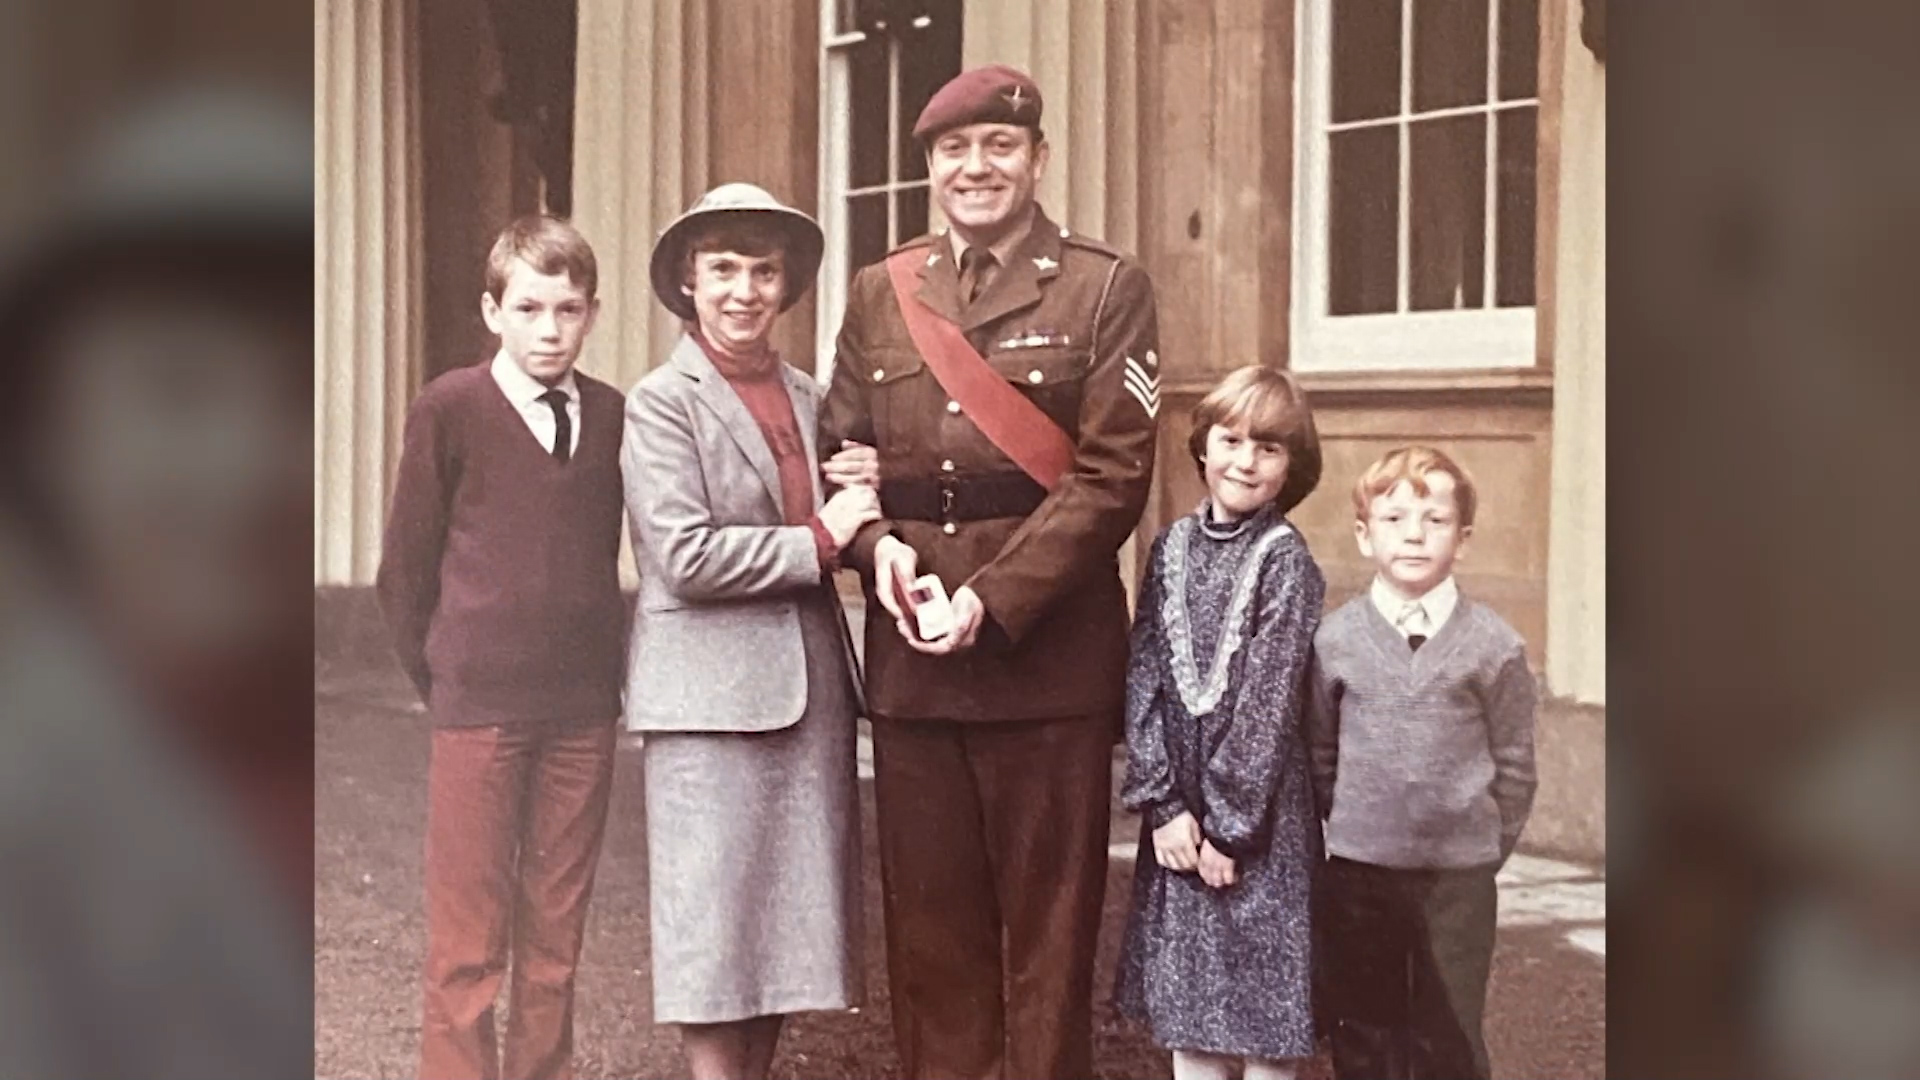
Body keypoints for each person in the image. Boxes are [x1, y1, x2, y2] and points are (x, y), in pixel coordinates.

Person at [818, 64, 1162, 1079]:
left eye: (1000, 147)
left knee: (1049, 947)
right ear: (931, 169)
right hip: (915, 660)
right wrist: (879, 555)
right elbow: (844, 457)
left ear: (1038, 159)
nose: (978, 168)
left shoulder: (1105, 286)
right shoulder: (882, 292)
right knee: (931, 943)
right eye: (955, 152)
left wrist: (989, 598)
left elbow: (1112, 479)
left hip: (1045, 665)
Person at [624, 183, 876, 1080]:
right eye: (722, 268)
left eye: (762, 270)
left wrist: (866, 492)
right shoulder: (661, 401)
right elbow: (686, 557)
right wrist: (822, 535)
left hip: (806, 692)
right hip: (707, 699)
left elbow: (849, 523)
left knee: (784, 936)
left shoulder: (813, 397)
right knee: (713, 931)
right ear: (687, 282)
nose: (743, 290)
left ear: (787, 284)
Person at [376, 215, 626, 1080]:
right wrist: (448, 676)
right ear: (493, 312)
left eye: (567, 309)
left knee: (555, 938)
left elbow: (595, 555)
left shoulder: (611, 414)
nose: (548, 329)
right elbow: (404, 569)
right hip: (480, 708)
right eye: (528, 308)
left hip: (583, 711)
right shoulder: (451, 407)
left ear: (593, 313)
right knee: (468, 941)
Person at [1113, 365, 1327, 1080]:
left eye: (1269, 448)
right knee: (1192, 1014)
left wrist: (1231, 828)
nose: (1245, 461)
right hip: (1180, 826)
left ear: (1293, 466)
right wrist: (1164, 805)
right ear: (1202, 447)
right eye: (1231, 440)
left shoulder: (1286, 562)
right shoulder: (1170, 548)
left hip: (1258, 826)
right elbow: (1142, 676)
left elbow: (1268, 705)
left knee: (1264, 1022)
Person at [1306, 445, 1539, 1080]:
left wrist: (1481, 845)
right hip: (1360, 873)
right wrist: (1357, 825)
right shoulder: (1336, 640)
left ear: (1462, 539)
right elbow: (1321, 757)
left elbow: (1516, 766)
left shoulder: (1493, 645)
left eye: (1435, 520)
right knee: (1365, 1029)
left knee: (1448, 1032)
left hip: (1456, 882)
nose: (1415, 534)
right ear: (1363, 534)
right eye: (1395, 518)